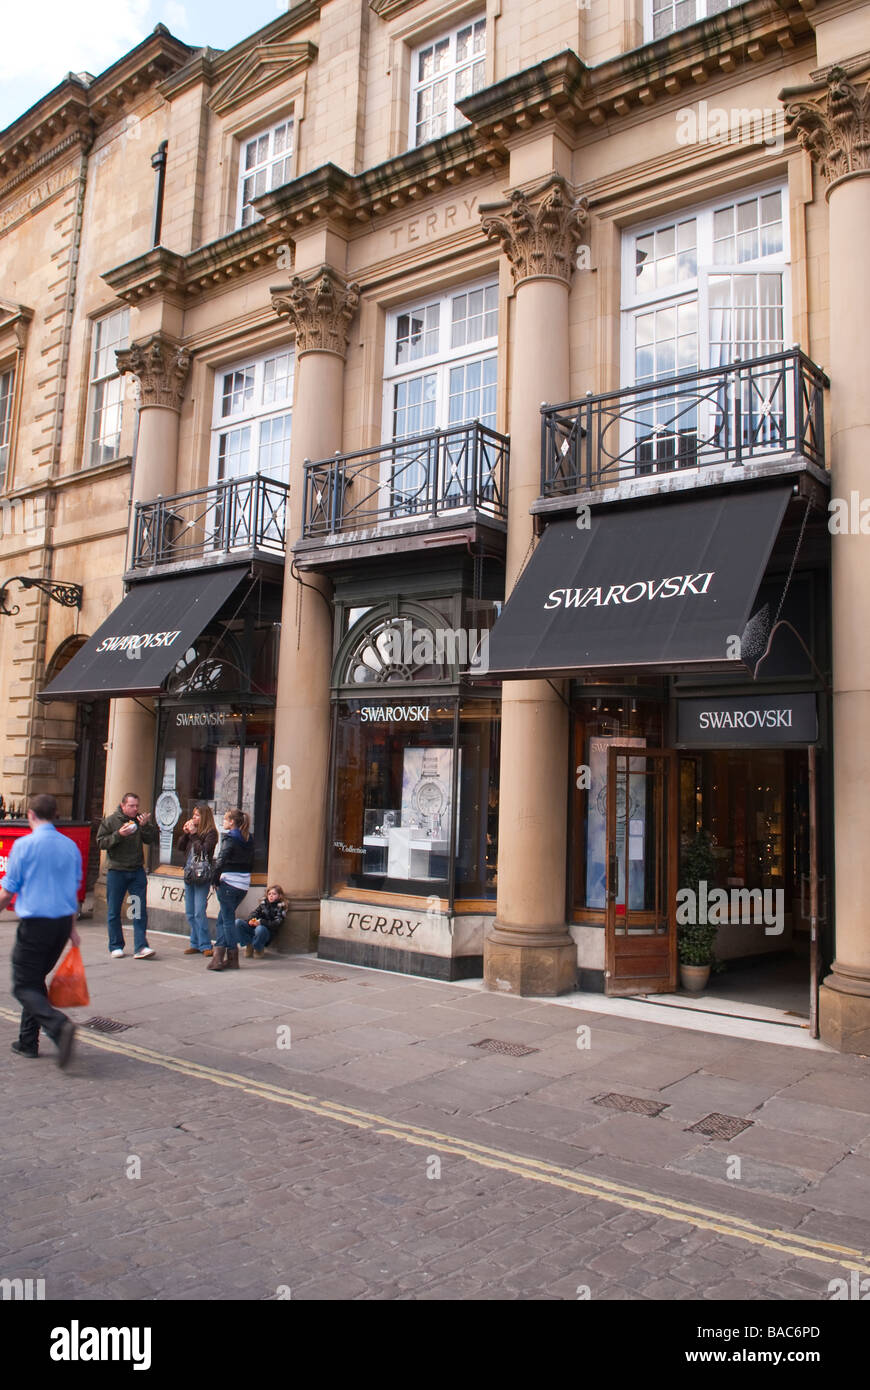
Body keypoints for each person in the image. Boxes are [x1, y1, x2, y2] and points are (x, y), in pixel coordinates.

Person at [0, 793, 82, 1067]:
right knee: (35, 980)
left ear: (31, 816)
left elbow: (7, 892)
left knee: (23, 985)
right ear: (56, 815)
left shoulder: (24, 846)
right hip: (60, 925)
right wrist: (72, 930)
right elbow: (73, 891)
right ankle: (27, 1042)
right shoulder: (70, 847)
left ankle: (59, 1026)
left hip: (36, 926)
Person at [96, 792, 159, 959]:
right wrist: (119, 835)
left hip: (136, 871)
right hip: (117, 871)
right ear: (123, 805)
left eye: (137, 806)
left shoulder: (139, 820)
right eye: (131, 806)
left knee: (138, 909)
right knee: (114, 909)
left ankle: (141, 946)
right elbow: (101, 842)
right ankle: (116, 945)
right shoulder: (111, 821)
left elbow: (151, 839)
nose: (135, 809)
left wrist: (145, 825)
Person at [207, 808, 253, 972]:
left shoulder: (229, 838)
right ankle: (218, 957)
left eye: (226, 819)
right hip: (243, 885)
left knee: (227, 921)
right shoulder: (248, 838)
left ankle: (232, 958)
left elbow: (221, 859)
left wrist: (214, 878)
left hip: (228, 884)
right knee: (222, 919)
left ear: (232, 822)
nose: (224, 822)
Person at [177, 805, 218, 956]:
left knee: (199, 911)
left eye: (198, 815)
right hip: (189, 874)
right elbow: (180, 847)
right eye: (194, 815)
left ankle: (206, 944)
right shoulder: (192, 833)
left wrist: (194, 835)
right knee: (190, 912)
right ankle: (195, 943)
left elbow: (204, 851)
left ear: (205, 817)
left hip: (202, 876)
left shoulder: (211, 833)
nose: (194, 818)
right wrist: (186, 834)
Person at [235, 884, 286, 959]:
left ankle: (258, 948)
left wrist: (261, 922)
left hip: (266, 933)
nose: (271, 896)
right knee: (238, 923)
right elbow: (254, 913)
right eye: (269, 894)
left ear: (279, 896)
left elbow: (276, 923)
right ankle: (249, 944)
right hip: (255, 929)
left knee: (260, 928)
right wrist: (251, 920)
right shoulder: (263, 904)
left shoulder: (280, 908)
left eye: (274, 894)